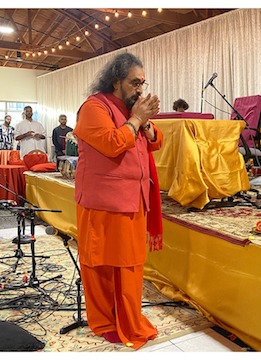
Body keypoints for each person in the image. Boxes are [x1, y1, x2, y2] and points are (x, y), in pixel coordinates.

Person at [74, 52, 163, 350]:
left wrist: (144, 121)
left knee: (130, 265)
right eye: (134, 82)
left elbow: (157, 140)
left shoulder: (129, 110)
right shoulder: (94, 107)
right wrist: (137, 118)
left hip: (133, 199)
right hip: (102, 202)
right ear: (115, 81)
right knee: (99, 265)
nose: (140, 88)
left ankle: (128, 317)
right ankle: (104, 321)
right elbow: (112, 144)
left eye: (142, 82)